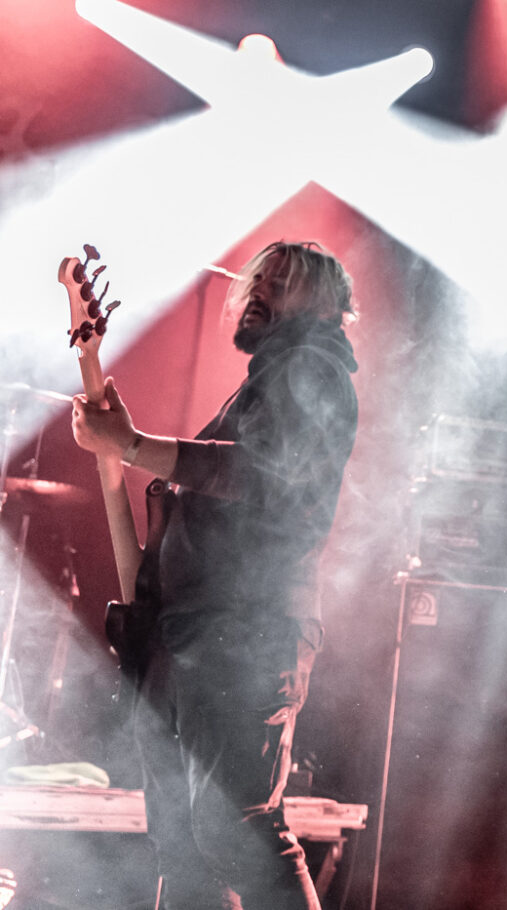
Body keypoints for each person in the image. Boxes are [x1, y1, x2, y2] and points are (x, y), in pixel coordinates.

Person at [72, 241, 359, 910]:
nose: (259, 290)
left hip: (244, 633)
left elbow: (259, 474)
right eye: (258, 278)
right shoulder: (268, 379)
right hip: (192, 634)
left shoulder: (314, 368)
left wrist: (133, 446)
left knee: (239, 832)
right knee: (183, 845)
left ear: (324, 306)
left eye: (282, 282)